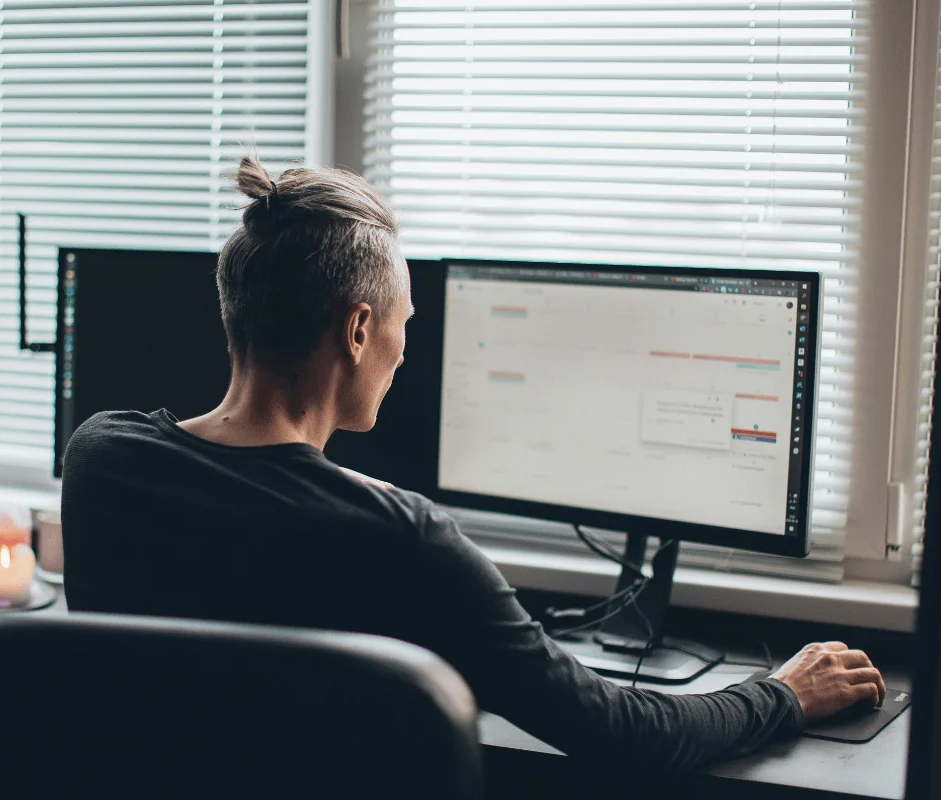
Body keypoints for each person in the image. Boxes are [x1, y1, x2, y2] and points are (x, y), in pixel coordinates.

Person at [60, 156, 887, 772]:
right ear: (357, 332)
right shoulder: (402, 539)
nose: (402, 349)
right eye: (401, 324)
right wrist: (783, 692)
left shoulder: (102, 460)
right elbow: (626, 733)